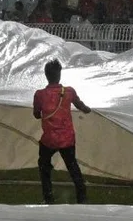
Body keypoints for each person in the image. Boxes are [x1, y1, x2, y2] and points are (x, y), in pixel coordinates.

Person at [33, 60, 91, 205]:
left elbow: (36, 114)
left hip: (49, 140)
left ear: (46, 76)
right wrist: (88, 109)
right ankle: (82, 198)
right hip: (67, 139)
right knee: (73, 168)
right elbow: (81, 106)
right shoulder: (69, 92)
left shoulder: (40, 95)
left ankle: (48, 197)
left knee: (44, 167)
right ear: (59, 75)